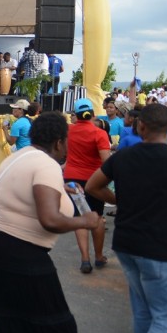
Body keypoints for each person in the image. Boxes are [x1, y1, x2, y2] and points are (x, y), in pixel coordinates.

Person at [0, 112, 100, 333]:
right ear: (58, 142)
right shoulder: (47, 165)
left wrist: (60, 189)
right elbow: (50, 220)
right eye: (66, 142)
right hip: (21, 253)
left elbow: (27, 191)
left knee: (9, 318)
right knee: (54, 325)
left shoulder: (19, 157)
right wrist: (86, 220)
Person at [86, 104, 167, 333]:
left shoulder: (123, 157)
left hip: (127, 245)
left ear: (141, 126)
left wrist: (120, 200)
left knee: (144, 312)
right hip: (163, 249)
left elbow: (92, 186)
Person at [63, 98, 111, 274]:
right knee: (96, 216)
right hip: (94, 180)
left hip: (72, 179)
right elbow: (106, 161)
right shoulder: (100, 133)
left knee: (80, 217)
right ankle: (99, 256)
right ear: (93, 114)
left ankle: (85, 259)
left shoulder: (68, 131)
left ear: (76, 115)